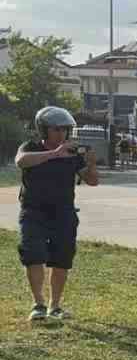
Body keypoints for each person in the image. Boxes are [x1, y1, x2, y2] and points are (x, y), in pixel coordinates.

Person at [15, 106, 100, 322]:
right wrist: (54, 154)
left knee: (61, 259)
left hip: (63, 213)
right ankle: (38, 304)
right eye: (56, 129)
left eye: (65, 129)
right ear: (44, 130)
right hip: (33, 211)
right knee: (33, 254)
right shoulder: (31, 147)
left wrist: (90, 164)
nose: (62, 134)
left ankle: (55, 306)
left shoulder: (72, 154)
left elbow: (92, 181)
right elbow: (21, 161)